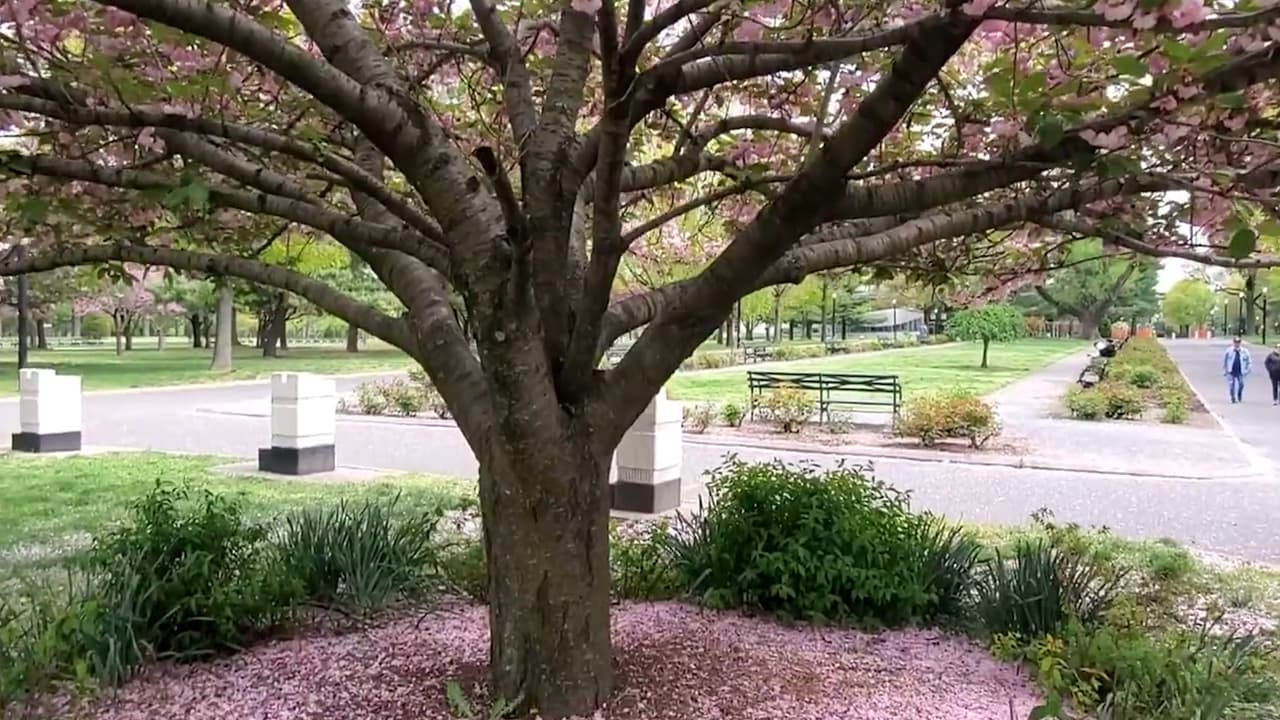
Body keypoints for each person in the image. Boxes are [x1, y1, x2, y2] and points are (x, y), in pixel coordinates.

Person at [1222, 336, 1253, 404]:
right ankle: (1233, 397)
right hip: (1231, 371)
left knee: (1241, 384)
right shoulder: (1229, 351)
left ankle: (1239, 394)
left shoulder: (1244, 351)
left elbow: (1249, 361)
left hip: (1240, 371)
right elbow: (1225, 361)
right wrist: (1225, 370)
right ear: (1233, 343)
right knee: (1231, 385)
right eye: (1235, 342)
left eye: (1238, 342)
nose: (1237, 344)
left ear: (1240, 343)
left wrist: (1248, 370)